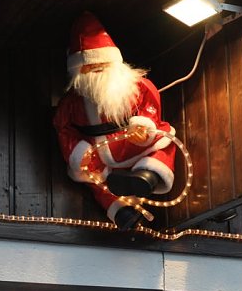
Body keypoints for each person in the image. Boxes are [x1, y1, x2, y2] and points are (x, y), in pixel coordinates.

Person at [53, 12, 177, 230]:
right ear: (78, 72)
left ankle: (147, 177)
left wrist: (144, 125)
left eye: (102, 64)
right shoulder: (71, 104)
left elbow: (151, 105)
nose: (97, 69)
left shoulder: (137, 86)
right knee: (97, 182)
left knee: (165, 143)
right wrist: (79, 153)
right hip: (100, 157)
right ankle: (122, 211)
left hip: (136, 143)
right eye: (90, 67)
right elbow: (64, 130)